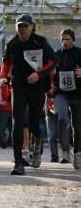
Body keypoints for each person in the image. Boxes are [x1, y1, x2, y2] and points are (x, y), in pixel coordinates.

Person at [0, 14, 56, 175]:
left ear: (32, 26)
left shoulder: (41, 42)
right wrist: (4, 77)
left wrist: (39, 74)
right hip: (18, 86)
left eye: (25, 26)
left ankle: (37, 146)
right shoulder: (13, 43)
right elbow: (7, 61)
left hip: (37, 87)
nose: (22, 29)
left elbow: (53, 61)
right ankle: (18, 162)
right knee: (18, 122)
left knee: (34, 123)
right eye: (19, 26)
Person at [51, 28, 81, 169]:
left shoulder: (79, 53)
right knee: (63, 119)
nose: (64, 42)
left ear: (73, 40)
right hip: (61, 93)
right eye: (62, 39)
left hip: (77, 94)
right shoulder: (56, 55)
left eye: (67, 39)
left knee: (77, 126)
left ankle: (77, 153)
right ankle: (65, 151)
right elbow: (49, 74)